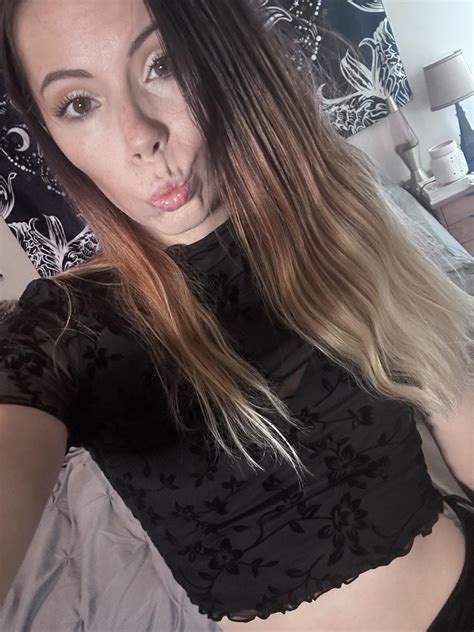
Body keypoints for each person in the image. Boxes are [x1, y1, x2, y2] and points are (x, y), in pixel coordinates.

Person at [0, 0, 473, 630]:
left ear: (219, 57)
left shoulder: (338, 214)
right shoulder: (59, 329)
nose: (141, 137)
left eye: (162, 64)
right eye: (78, 103)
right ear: (53, 136)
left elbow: (458, 414)